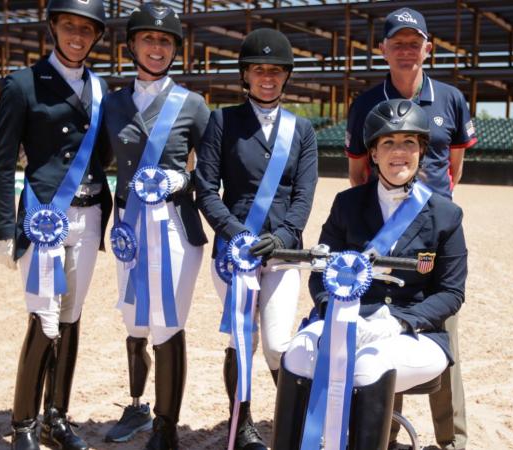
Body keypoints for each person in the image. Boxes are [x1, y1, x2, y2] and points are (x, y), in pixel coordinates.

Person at [272, 99, 468, 450]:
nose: (399, 152)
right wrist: (335, 312)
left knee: (367, 365)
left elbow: (451, 293)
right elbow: (322, 272)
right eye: (388, 143)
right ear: (373, 154)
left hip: (414, 334)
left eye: (409, 143)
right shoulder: (347, 204)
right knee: (297, 353)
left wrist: (400, 323)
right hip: (345, 320)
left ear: (421, 151)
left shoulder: (446, 214)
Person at [344, 7, 476, 449]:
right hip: (382, 230)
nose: (406, 50)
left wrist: (430, 209)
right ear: (383, 49)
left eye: (413, 42)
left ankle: (451, 438)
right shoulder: (364, 103)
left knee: (443, 327)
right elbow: (358, 173)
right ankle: (383, 429)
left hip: (433, 232)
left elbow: (454, 166)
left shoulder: (452, 99)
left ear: (428, 48)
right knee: (380, 322)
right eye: (397, 42)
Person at [0, 1, 110, 449]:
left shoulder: (101, 89)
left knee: (72, 318)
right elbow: (2, 163)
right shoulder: (22, 84)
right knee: (45, 322)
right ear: (53, 29)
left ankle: (54, 418)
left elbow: (106, 154)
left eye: (86, 30)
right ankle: (23, 422)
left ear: (96, 36)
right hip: (45, 217)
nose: (77, 36)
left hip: (91, 213)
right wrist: (3, 227)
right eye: (68, 27)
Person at [194, 28, 318, 450]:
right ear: (245, 75)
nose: (267, 77)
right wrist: (236, 234)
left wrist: (283, 235)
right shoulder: (222, 121)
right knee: (241, 338)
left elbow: (303, 195)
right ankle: (242, 424)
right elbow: (206, 189)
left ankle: (289, 422)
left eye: (276, 70)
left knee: (279, 343)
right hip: (234, 255)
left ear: (287, 76)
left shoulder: (303, 131)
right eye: (258, 69)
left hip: (283, 254)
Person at [98, 3, 209, 450]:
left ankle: (166, 425)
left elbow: (215, 170)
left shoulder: (193, 105)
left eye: (165, 40)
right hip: (128, 228)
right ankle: (138, 404)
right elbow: (93, 164)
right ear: (132, 46)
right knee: (133, 321)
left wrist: (182, 177)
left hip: (175, 229)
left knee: (168, 322)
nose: (157, 46)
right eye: (149, 38)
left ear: (175, 49)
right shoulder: (112, 105)